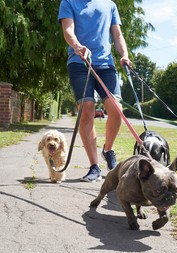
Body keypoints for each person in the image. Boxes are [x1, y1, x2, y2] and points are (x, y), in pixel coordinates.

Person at [58, 0, 132, 182]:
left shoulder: (110, 5)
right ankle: (94, 166)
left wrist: (124, 54)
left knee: (116, 110)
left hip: (106, 64)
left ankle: (107, 150)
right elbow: (68, 30)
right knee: (87, 109)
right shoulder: (69, 2)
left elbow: (117, 34)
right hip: (79, 62)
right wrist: (77, 47)